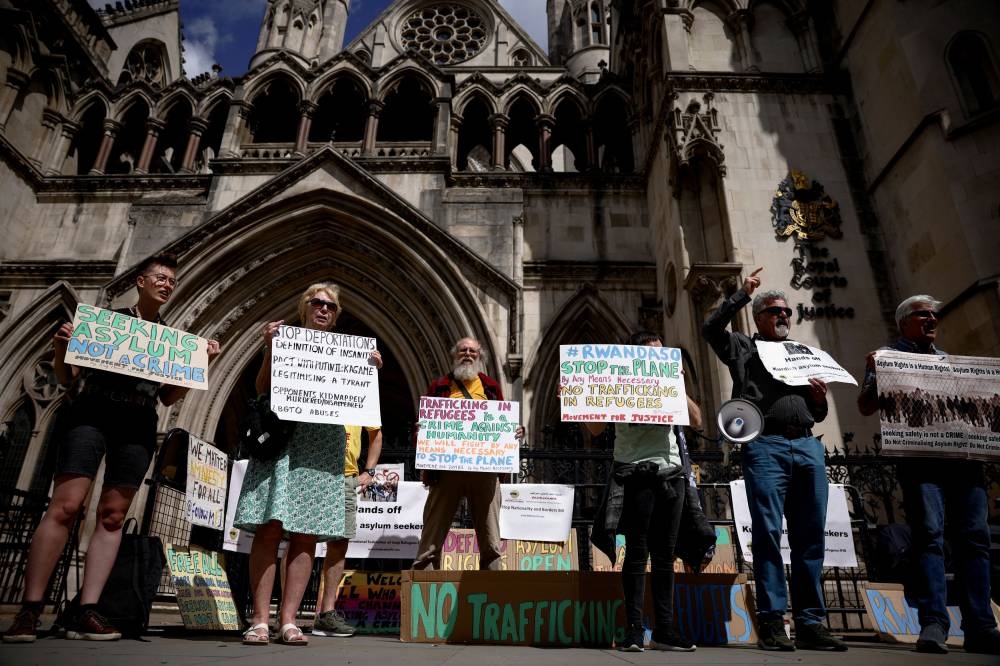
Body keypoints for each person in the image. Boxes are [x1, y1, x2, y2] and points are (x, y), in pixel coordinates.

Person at [3, 253, 221, 643]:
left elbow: (169, 398)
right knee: (66, 506)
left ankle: (89, 609)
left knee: (113, 516)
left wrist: (199, 363)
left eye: (172, 280)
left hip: (137, 422)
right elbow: (67, 376)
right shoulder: (110, 322)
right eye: (160, 277)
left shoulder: (171, 340)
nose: (167, 284)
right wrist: (59, 347)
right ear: (140, 281)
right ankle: (30, 609)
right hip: (91, 412)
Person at [702, 267, 847, 651]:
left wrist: (818, 401)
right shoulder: (742, 348)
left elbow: (816, 414)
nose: (784, 316)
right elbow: (711, 330)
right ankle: (772, 620)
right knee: (767, 535)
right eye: (776, 312)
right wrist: (742, 294)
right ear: (760, 317)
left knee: (810, 536)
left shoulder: (801, 355)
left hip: (807, 447)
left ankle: (811, 621)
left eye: (787, 312)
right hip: (765, 447)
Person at [235, 283, 380, 647]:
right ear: (304, 307)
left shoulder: (349, 351)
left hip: (323, 443)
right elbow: (262, 388)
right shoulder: (287, 340)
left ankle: (288, 621)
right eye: (317, 303)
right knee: (270, 528)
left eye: (330, 306)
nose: (323, 309)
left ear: (336, 314)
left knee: (306, 534)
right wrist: (269, 348)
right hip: (284, 439)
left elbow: (362, 402)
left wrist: (371, 371)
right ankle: (259, 619)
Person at [858, 295, 1000, 655]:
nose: (932, 320)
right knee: (929, 538)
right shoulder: (886, 357)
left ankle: (981, 625)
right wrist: (877, 373)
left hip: (965, 462)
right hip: (922, 463)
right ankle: (934, 623)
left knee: (974, 540)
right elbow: (865, 405)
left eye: (934, 315)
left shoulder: (950, 361)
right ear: (905, 322)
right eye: (924, 315)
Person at [588, 331, 705, 653]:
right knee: (637, 553)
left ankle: (665, 630)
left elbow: (696, 420)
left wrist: (677, 383)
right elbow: (596, 429)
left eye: (661, 353)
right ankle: (635, 630)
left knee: (665, 556)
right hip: (634, 471)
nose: (658, 357)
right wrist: (576, 397)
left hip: (671, 473)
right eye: (652, 354)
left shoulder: (669, 384)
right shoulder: (619, 383)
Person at [411, 337, 523, 571]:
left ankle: (493, 588)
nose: (468, 355)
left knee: (491, 538)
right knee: (431, 536)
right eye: (463, 351)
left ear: (480, 357)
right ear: (454, 356)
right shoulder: (440, 387)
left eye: (473, 351)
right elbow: (424, 427)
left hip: (485, 472)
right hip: (446, 471)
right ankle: (425, 585)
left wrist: (515, 431)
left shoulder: (491, 387)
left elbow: (502, 426)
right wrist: (422, 431)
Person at [312, 423, 383, 637]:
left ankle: (327, 614)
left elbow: (376, 433)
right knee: (299, 539)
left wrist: (369, 471)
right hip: (312, 468)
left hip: (346, 476)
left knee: (340, 542)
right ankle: (287, 616)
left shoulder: (360, 393)